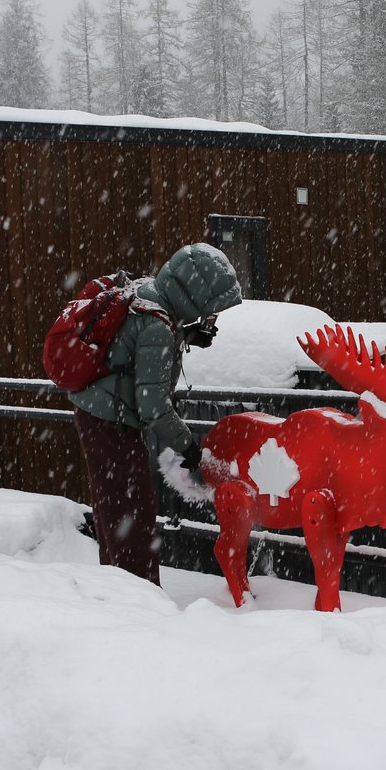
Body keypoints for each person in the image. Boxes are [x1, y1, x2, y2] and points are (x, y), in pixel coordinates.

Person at [68, 242, 242, 584]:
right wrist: (187, 446)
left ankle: (122, 587)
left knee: (117, 508)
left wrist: (187, 332)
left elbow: (136, 345)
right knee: (131, 513)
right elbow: (153, 406)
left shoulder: (151, 296)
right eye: (210, 308)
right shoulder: (157, 326)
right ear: (194, 295)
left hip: (100, 415)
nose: (212, 316)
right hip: (110, 422)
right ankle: (136, 598)